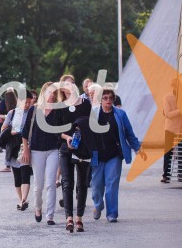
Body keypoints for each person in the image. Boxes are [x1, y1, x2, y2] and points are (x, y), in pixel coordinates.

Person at [89, 87, 146, 223]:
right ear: (101, 100)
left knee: (112, 184)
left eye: (111, 98)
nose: (108, 100)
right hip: (97, 154)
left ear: (114, 100)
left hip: (114, 154)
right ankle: (98, 205)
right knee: (96, 185)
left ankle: (112, 213)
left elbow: (129, 133)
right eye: (105, 98)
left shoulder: (120, 114)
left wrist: (137, 148)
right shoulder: (94, 114)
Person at [21, 82, 63, 225]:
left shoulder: (58, 111)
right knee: (38, 185)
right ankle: (38, 207)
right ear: (43, 93)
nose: (52, 95)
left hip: (53, 150)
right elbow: (25, 132)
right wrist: (26, 149)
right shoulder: (34, 110)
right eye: (49, 92)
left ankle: (49, 215)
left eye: (54, 93)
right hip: (36, 151)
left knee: (51, 184)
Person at [57, 80, 93, 233]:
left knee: (82, 184)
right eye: (65, 85)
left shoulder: (85, 104)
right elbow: (57, 130)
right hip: (66, 147)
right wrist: (68, 138)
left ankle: (79, 218)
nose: (69, 86)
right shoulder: (60, 107)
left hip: (83, 148)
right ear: (63, 90)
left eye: (71, 84)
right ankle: (69, 218)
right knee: (67, 183)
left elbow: (92, 125)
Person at [4, 90, 34, 210]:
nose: (27, 105)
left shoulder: (34, 113)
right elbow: (3, 129)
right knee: (17, 177)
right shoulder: (12, 113)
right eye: (25, 102)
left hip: (27, 146)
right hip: (14, 146)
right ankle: (21, 200)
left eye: (29, 102)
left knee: (25, 173)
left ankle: (23, 200)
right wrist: (13, 131)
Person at [162, 78, 182, 183]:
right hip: (170, 128)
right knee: (168, 152)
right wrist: (180, 111)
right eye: (176, 86)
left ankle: (181, 174)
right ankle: (166, 175)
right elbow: (168, 114)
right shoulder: (168, 97)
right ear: (172, 86)